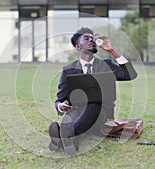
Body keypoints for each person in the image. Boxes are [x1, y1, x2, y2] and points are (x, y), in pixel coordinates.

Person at [48, 27, 137, 156]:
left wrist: (112, 50)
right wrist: (61, 106)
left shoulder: (106, 64)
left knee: (94, 101)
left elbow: (130, 75)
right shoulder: (68, 69)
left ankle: (64, 136)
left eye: (92, 38)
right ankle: (68, 138)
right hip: (76, 112)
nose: (92, 41)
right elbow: (60, 99)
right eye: (86, 38)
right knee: (69, 118)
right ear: (78, 46)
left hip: (101, 115)